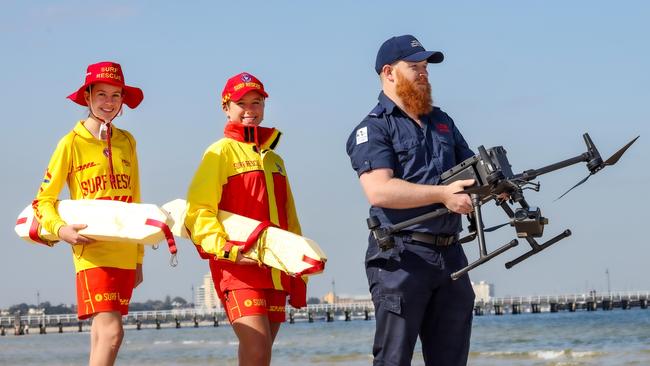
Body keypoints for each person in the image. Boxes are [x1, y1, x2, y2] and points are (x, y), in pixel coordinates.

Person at [346, 35, 477, 366]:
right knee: (393, 360)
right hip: (401, 259)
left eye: (426, 68)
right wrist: (443, 194)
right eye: (414, 67)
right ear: (389, 73)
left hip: (451, 257)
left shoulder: (442, 121)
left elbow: (473, 173)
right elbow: (380, 190)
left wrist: (500, 185)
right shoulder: (373, 129)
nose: (424, 74)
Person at [185, 72, 307, 366]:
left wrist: (299, 268)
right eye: (242, 103)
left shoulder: (275, 159)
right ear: (226, 106)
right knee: (256, 348)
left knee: (261, 355)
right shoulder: (219, 152)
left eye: (257, 102)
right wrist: (228, 251)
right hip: (236, 267)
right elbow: (198, 211)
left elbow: (289, 218)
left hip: (275, 268)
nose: (250, 110)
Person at [32, 61, 144, 365]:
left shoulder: (128, 141)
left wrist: (138, 259)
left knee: (101, 335)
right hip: (91, 251)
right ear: (87, 97)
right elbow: (43, 200)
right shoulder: (70, 143)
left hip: (124, 250)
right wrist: (61, 230)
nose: (109, 103)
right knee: (112, 334)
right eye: (102, 95)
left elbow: (135, 200)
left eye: (116, 96)